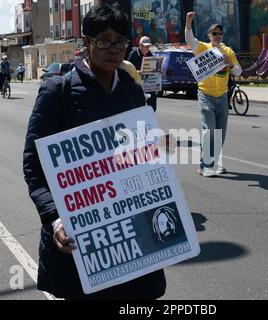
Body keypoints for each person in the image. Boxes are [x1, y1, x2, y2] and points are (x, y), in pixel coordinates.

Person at [23, 1, 166, 300]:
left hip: (132, 236)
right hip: (80, 237)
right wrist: (55, 219)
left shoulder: (131, 89)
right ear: (86, 43)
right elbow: (34, 166)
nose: (114, 49)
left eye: (121, 42)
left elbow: (143, 158)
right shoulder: (57, 92)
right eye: (104, 41)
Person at [185, 12, 242, 177]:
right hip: (205, 94)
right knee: (209, 130)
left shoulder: (228, 52)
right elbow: (190, 40)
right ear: (209, 35)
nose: (217, 36)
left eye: (219, 33)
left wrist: (230, 63)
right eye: (214, 33)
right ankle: (204, 165)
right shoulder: (203, 47)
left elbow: (238, 72)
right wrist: (189, 22)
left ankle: (214, 163)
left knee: (220, 133)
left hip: (222, 96)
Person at [127, 36, 158, 111]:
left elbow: (154, 70)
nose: (147, 48)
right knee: (139, 106)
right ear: (140, 45)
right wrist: (136, 72)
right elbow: (127, 70)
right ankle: (141, 122)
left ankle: (150, 118)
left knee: (152, 106)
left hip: (148, 84)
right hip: (137, 85)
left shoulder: (151, 55)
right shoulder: (133, 54)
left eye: (149, 46)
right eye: (145, 46)